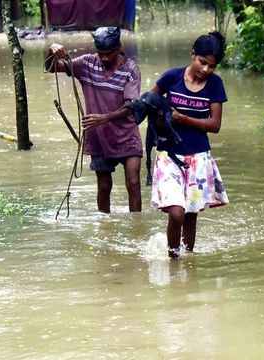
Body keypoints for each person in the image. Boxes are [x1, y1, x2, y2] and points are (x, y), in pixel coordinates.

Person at [148, 32, 229, 258]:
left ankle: (186, 262)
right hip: (168, 155)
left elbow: (214, 125)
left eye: (211, 66)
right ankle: (173, 259)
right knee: (176, 213)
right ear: (192, 55)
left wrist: (183, 119)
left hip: (198, 157)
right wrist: (158, 117)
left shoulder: (215, 85)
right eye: (202, 62)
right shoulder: (171, 77)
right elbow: (149, 102)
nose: (205, 69)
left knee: (191, 215)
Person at [45, 26, 142, 213]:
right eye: (101, 53)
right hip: (99, 137)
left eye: (109, 53)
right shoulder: (87, 63)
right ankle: (104, 227)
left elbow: (132, 106)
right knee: (104, 186)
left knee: (133, 182)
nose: (104, 58)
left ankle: (135, 228)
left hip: (126, 136)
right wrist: (51, 51)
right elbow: (51, 67)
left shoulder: (131, 70)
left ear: (119, 48)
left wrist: (105, 118)